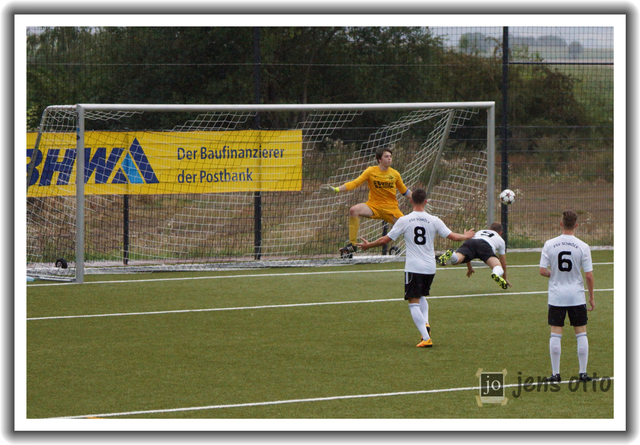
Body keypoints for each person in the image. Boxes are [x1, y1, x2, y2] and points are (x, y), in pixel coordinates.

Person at [356, 188, 474, 348]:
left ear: (411, 201)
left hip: (414, 267)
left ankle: (426, 338)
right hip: (430, 267)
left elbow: (385, 240)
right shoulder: (434, 220)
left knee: (413, 303)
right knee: (422, 296)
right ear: (426, 202)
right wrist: (465, 236)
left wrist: (369, 245)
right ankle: (425, 325)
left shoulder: (404, 220)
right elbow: (452, 236)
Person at [320, 147, 412, 256]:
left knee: (409, 227)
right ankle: (352, 245)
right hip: (373, 207)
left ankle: (415, 251)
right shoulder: (371, 171)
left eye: (390, 157)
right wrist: (336, 189)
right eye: (386, 156)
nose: (389, 159)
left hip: (391, 210)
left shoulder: (395, 174)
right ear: (379, 159)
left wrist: (419, 200)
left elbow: (405, 192)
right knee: (354, 210)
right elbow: (355, 183)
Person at [539, 210, 595, 382]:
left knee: (556, 334)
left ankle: (555, 374)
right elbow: (588, 276)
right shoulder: (583, 246)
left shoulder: (549, 244)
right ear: (576, 225)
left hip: (557, 296)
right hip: (576, 296)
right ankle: (583, 373)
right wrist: (591, 297)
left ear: (561, 224)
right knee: (581, 334)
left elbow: (542, 271)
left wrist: (554, 274)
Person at [436, 222, 512, 290]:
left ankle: (452, 254)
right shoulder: (500, 240)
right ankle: (496, 274)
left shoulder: (480, 232)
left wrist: (469, 267)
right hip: (485, 245)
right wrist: (504, 278)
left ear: (489, 228)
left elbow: (469, 254)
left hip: (471, 242)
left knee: (456, 260)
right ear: (500, 233)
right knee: (496, 265)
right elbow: (503, 263)